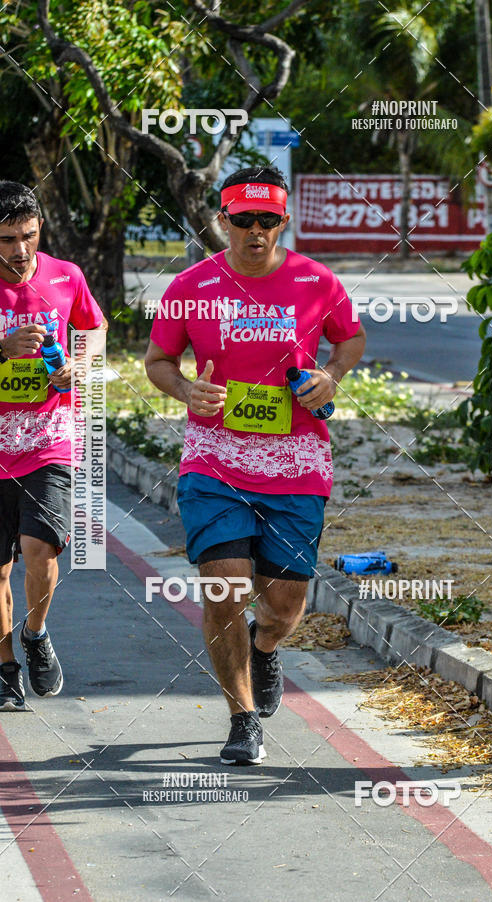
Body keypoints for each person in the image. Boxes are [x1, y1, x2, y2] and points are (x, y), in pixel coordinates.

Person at [146, 166, 366, 765]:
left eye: (267, 219)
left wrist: (330, 375)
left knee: (285, 605)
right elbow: (158, 359)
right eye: (242, 219)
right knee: (224, 588)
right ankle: (242, 718)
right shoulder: (191, 285)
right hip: (214, 461)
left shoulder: (316, 280)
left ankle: (265, 648)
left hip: (296, 463)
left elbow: (350, 338)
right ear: (223, 221)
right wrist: (186, 389)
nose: (255, 230)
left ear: (283, 221)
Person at [0, 181, 107, 710]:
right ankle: (5, 667)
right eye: (6, 240)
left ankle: (35, 632)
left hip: (48, 439)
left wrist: (79, 365)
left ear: (40, 227)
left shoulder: (67, 276)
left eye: (28, 235)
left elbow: (95, 330)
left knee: (41, 549)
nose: (19, 250)